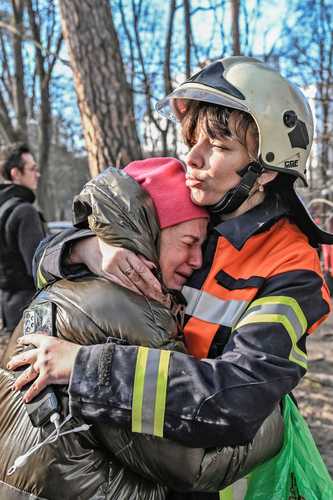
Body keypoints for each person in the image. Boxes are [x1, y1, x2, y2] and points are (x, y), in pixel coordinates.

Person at [10, 57, 333, 497]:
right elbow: (45, 261)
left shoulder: (291, 267)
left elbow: (239, 395)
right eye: (191, 139)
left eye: (217, 146)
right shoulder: (190, 210)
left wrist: (85, 368)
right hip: (144, 468)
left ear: (267, 170)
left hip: (220, 479)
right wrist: (86, 248)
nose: (192, 158)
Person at [0, 159, 282, 499]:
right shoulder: (130, 312)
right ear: (151, 232)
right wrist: (271, 414)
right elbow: (194, 464)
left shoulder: (73, 280)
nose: (196, 261)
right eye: (188, 242)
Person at [0, 143, 45, 350]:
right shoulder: (24, 211)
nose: (38, 174)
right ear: (15, 173)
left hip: (7, 308)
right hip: (31, 310)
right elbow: (40, 270)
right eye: (33, 169)